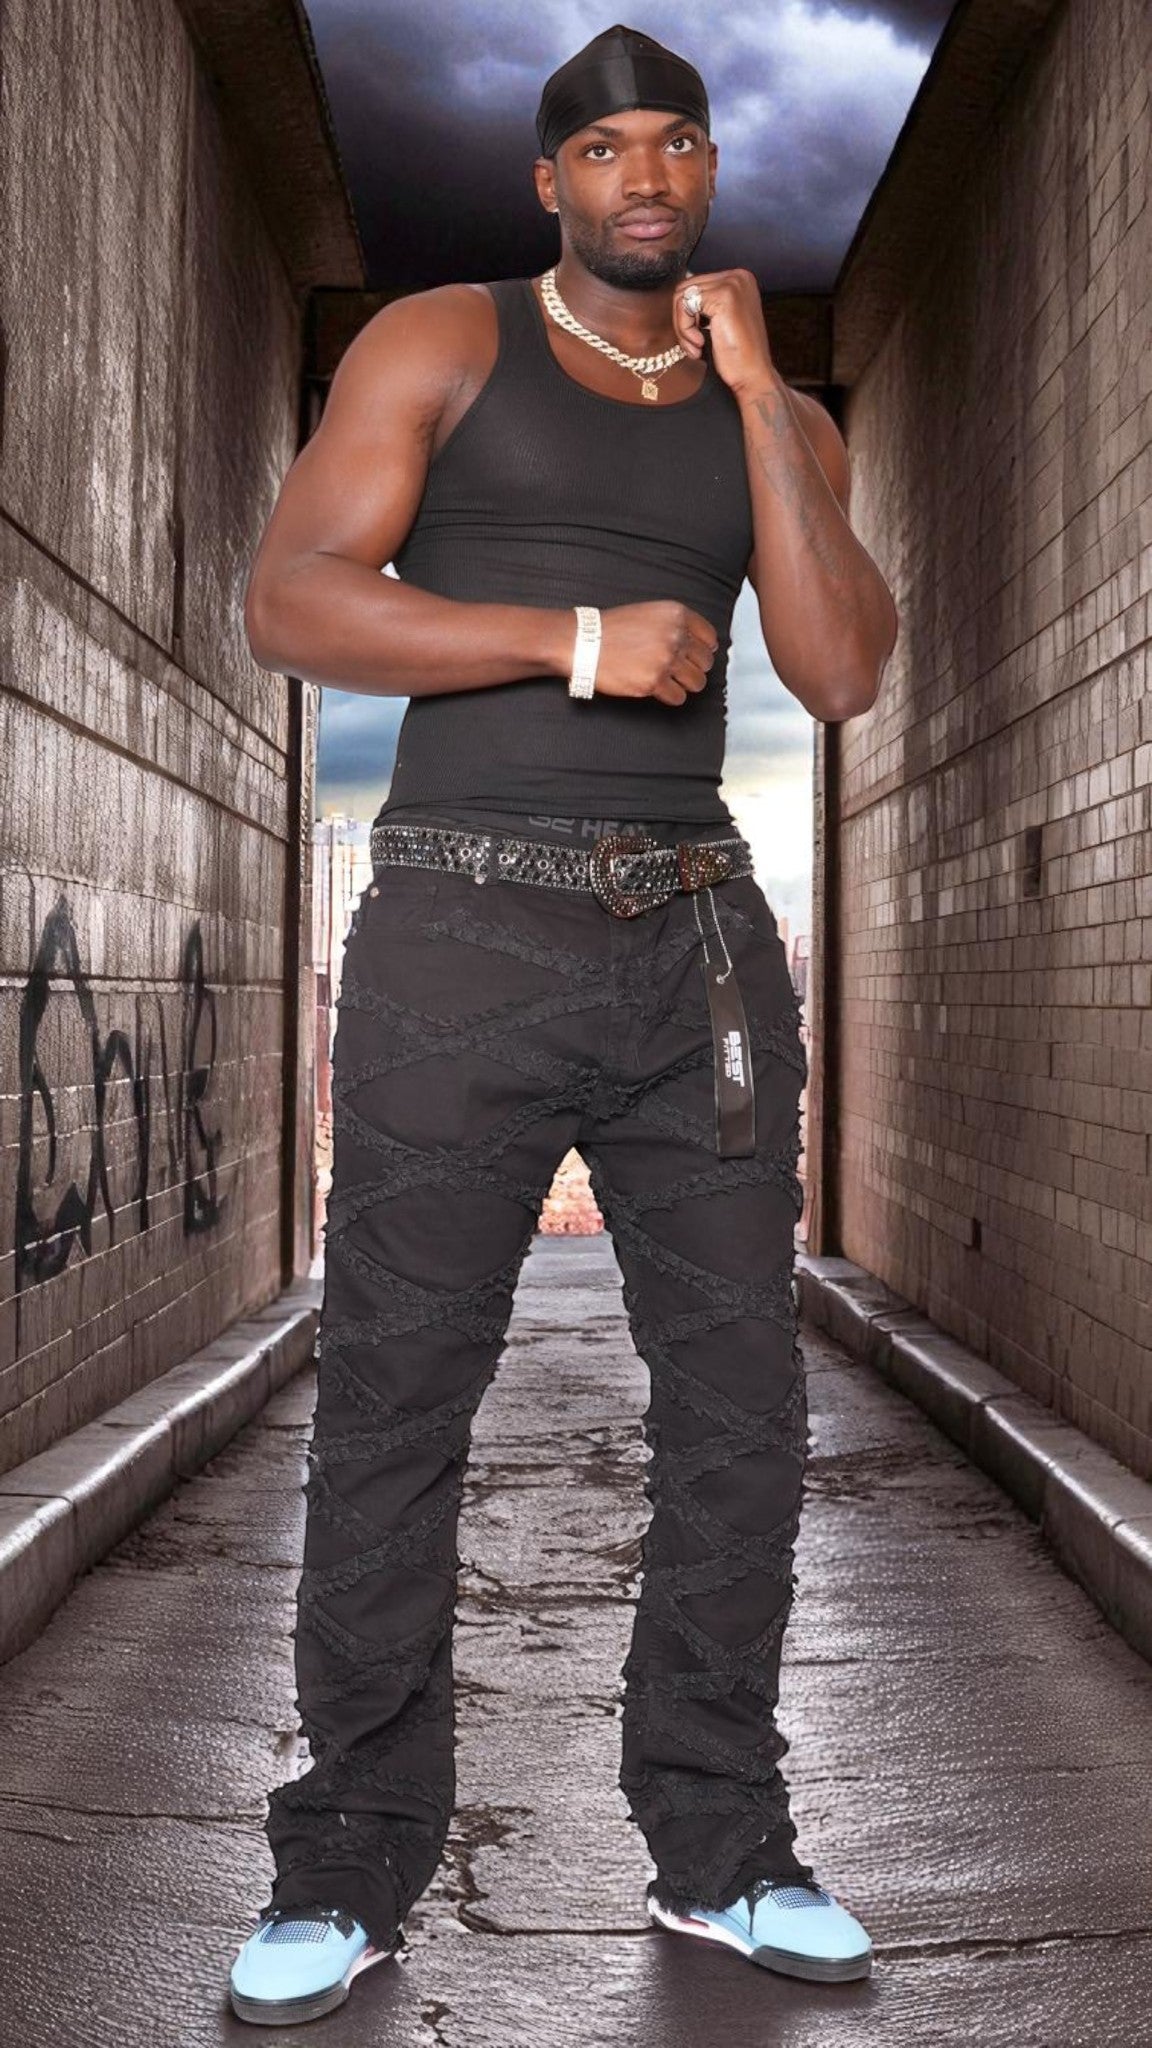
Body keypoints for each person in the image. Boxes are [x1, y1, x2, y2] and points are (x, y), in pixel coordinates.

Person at [228, 23, 898, 2026]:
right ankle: (344, 1872)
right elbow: (295, 598)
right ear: (551, 181)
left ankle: (723, 1848)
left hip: (692, 942)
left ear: (706, 176)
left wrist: (768, 390)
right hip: (458, 922)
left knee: (743, 1420)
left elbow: (844, 664)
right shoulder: (442, 340)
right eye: (603, 145)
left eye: (676, 143)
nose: (645, 173)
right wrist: (572, 638)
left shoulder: (768, 407)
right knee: (395, 1405)